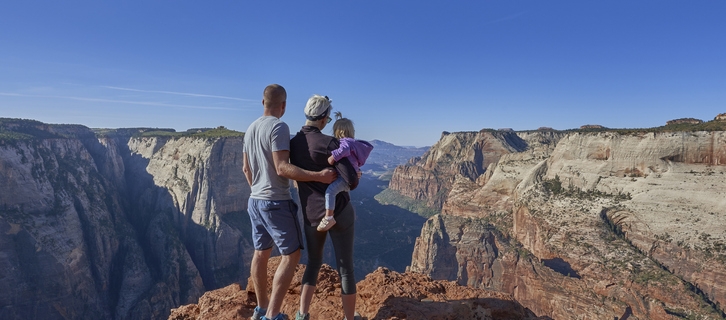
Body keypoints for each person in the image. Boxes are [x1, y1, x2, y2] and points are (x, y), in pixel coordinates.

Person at [242, 85, 336, 320]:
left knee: (260, 253)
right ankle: (272, 315)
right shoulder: (279, 126)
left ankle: (261, 308)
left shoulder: (250, 128)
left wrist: (257, 189)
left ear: (262, 102)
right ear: (283, 105)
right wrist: (318, 176)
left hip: (254, 200)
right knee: (291, 255)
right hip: (275, 202)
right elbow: (282, 168)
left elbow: (246, 169)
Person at [289, 95, 361, 320]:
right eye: (328, 119)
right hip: (339, 213)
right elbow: (351, 179)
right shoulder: (329, 143)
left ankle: (302, 314)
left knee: (313, 263)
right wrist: (356, 176)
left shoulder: (293, 144)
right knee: (345, 268)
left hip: (311, 215)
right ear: (322, 119)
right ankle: (349, 318)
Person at [317, 111, 374, 232]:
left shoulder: (346, 143)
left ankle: (329, 217)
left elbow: (344, 150)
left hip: (344, 179)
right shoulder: (353, 143)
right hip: (349, 178)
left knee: (330, 192)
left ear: (339, 131)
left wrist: (332, 157)